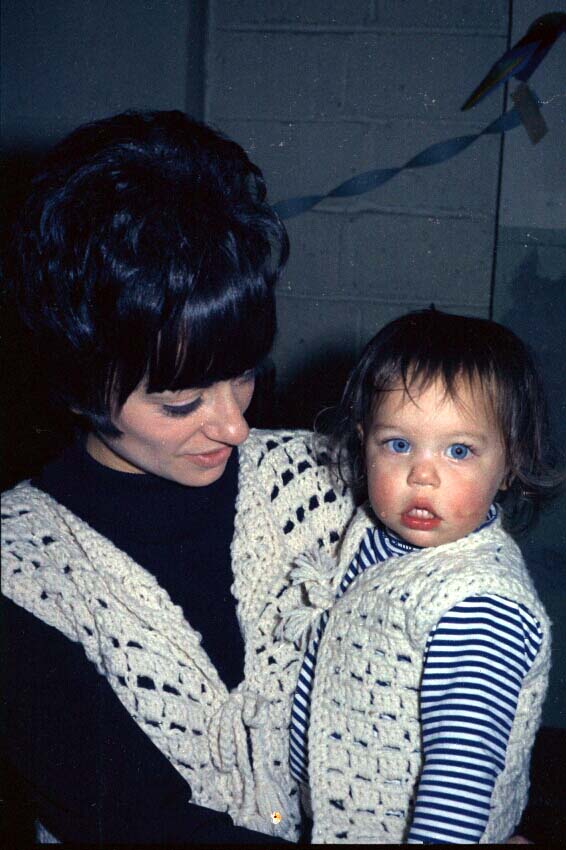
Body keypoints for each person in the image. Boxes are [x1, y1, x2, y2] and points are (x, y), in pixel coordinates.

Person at [0, 110, 356, 844]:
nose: (234, 426)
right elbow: (142, 823)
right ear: (77, 381)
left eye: (246, 374)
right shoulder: (22, 567)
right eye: (180, 402)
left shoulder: (317, 481)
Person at [279, 309, 560, 844]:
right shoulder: (370, 534)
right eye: (398, 444)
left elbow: (458, 780)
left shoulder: (480, 605)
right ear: (363, 443)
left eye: (459, 451)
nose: (422, 475)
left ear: (510, 463)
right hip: (325, 812)